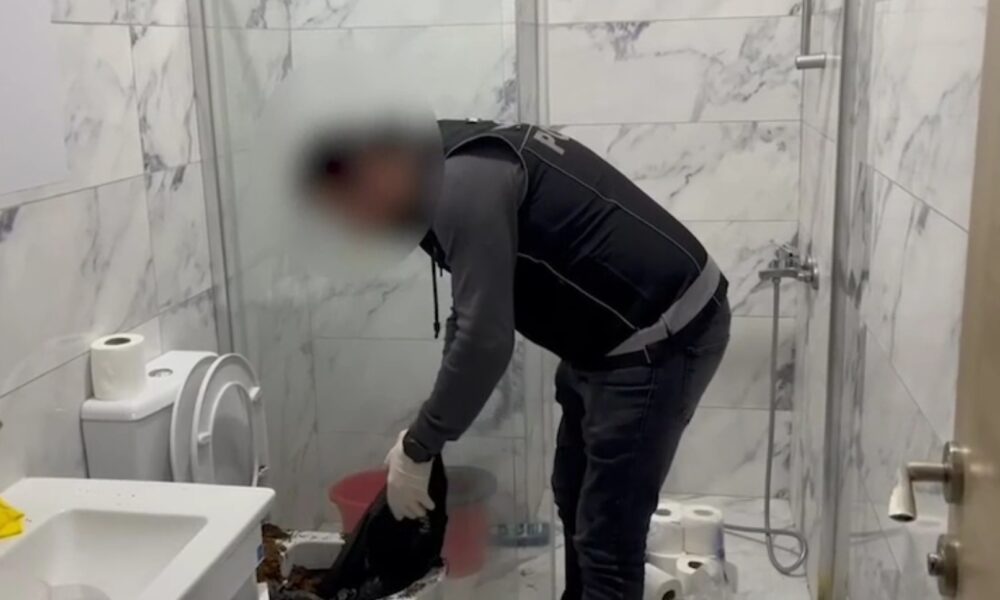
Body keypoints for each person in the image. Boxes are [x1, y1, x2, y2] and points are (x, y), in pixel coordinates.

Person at [299, 119, 731, 600]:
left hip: (662, 333)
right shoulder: (445, 165)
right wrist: (423, 440)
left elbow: (485, 340)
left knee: (608, 538)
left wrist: (421, 445)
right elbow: (470, 316)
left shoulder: (460, 183)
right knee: (572, 493)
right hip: (608, 340)